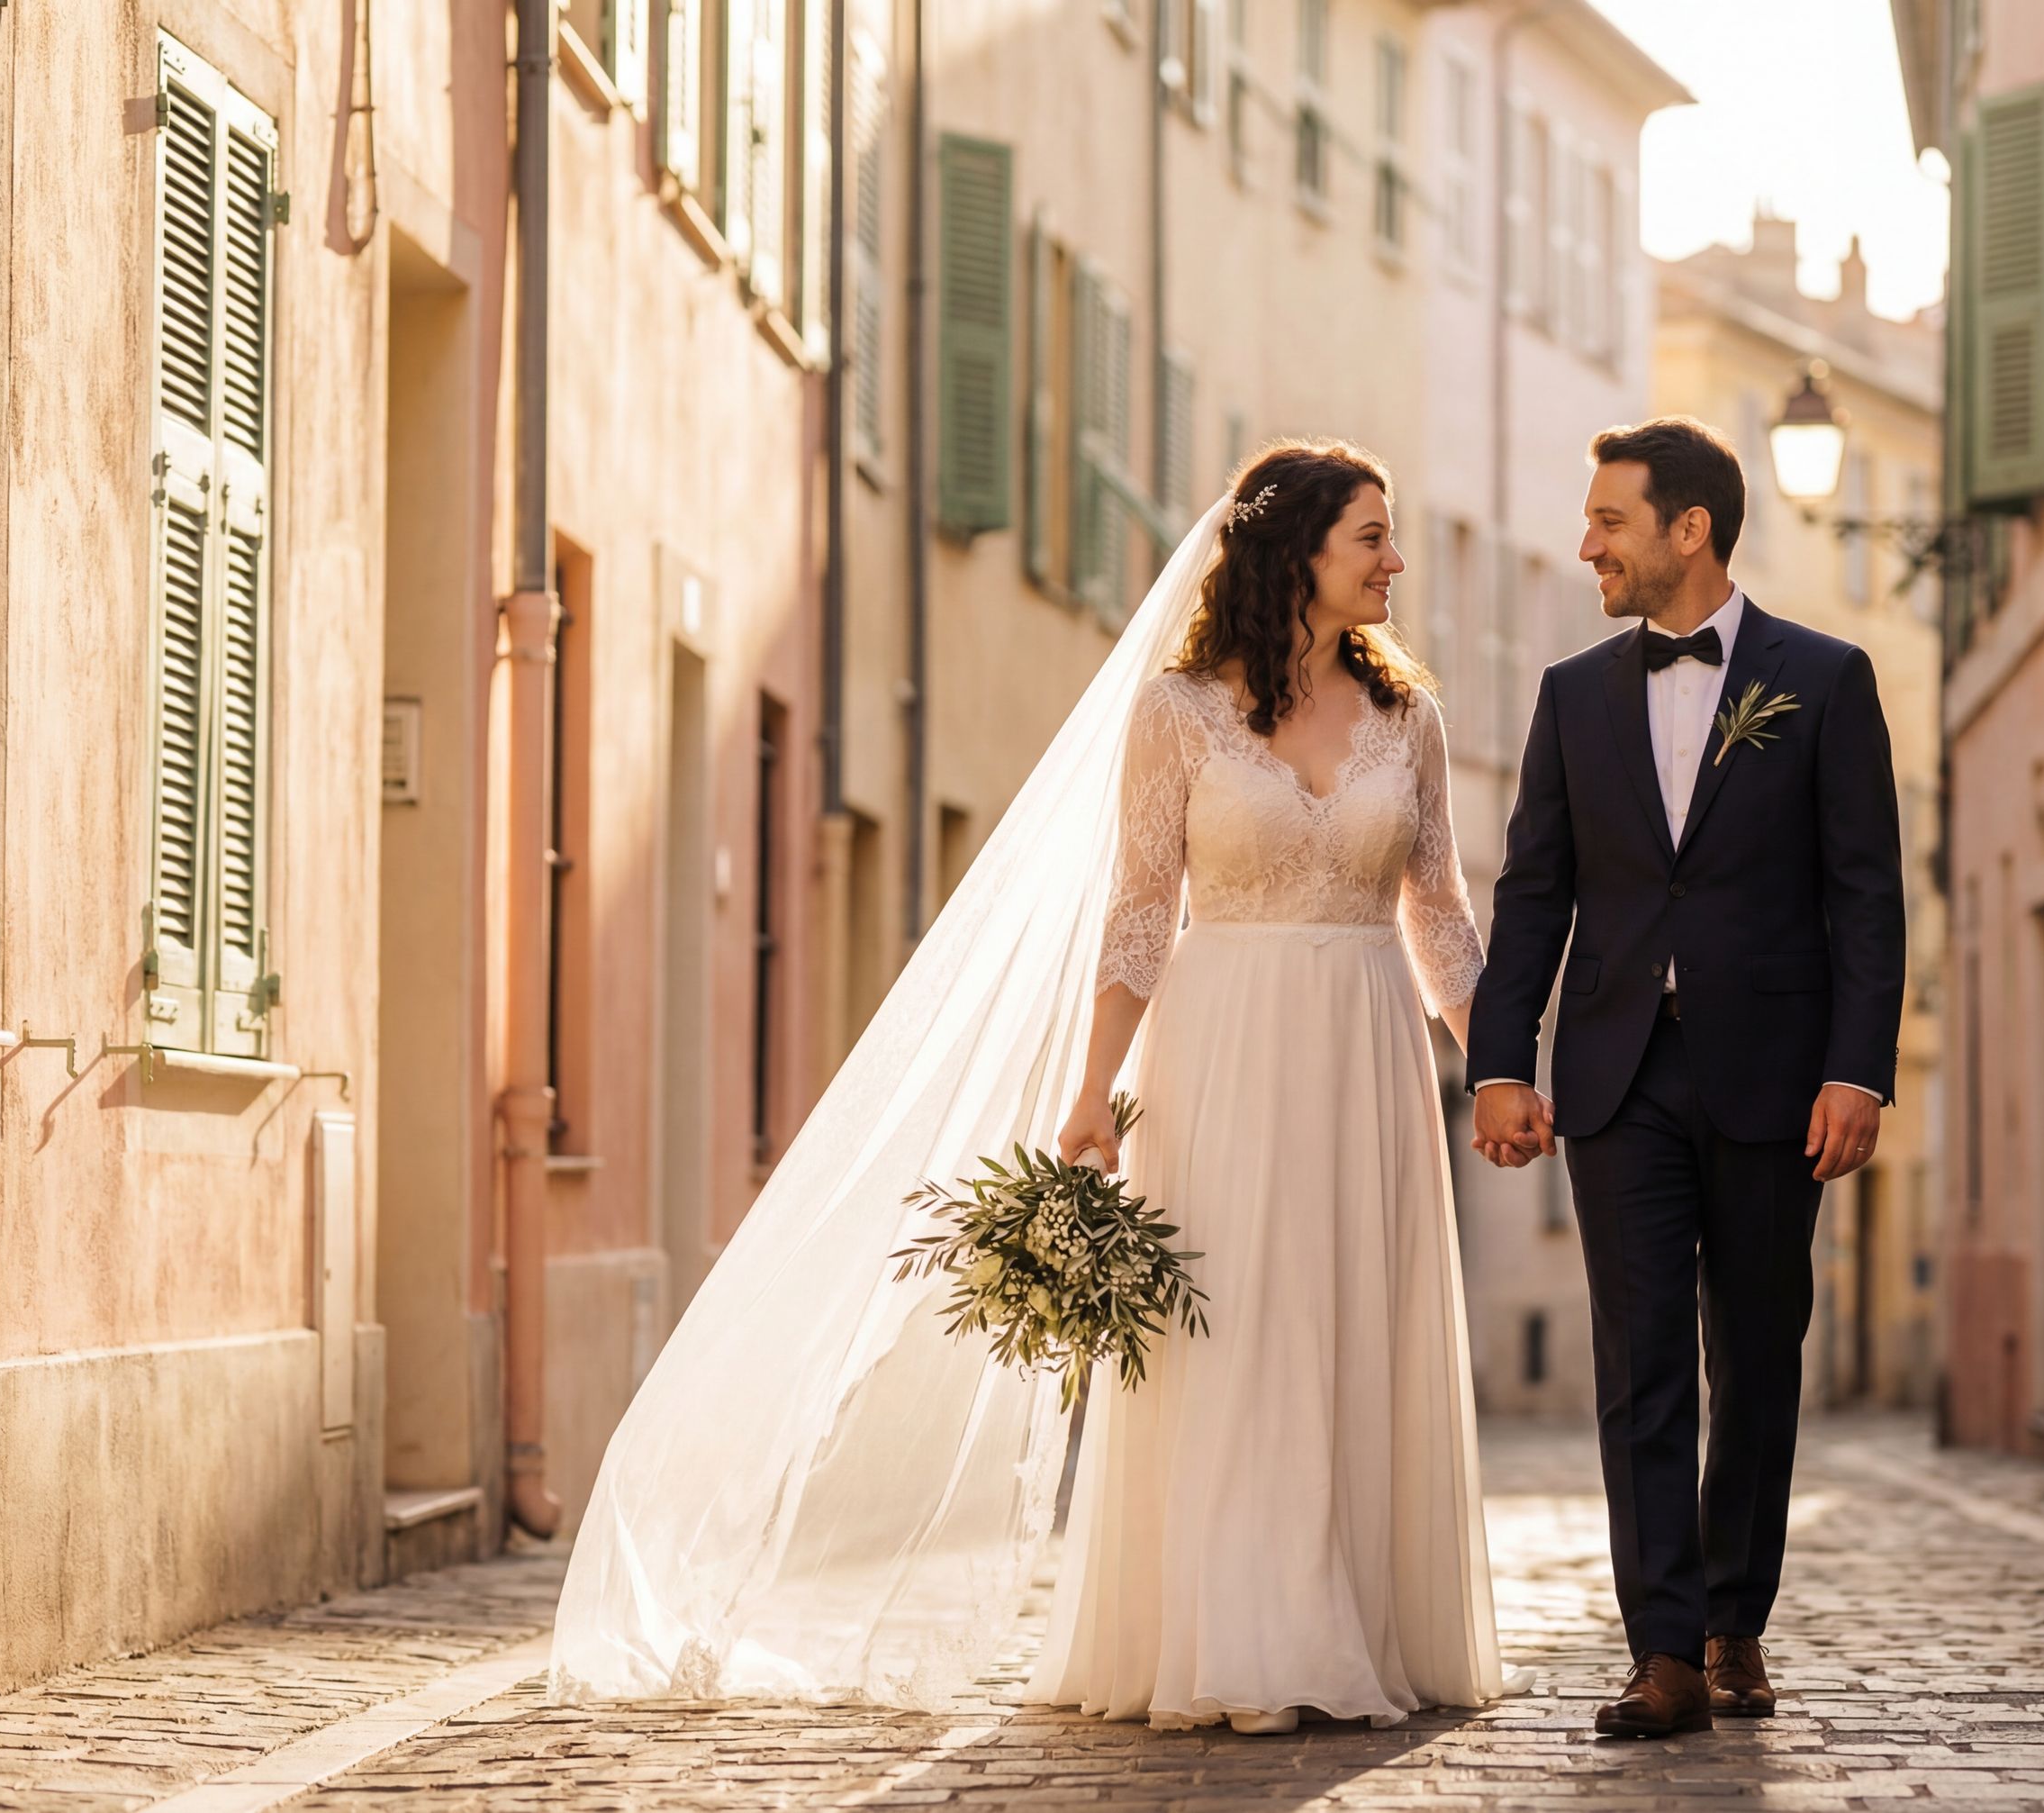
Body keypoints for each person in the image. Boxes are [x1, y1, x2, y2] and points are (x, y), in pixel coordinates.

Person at [548, 441, 1524, 1735]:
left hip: (1367, 1053)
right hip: (1221, 1048)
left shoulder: (1412, 716)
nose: (1396, 562)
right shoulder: (1177, 712)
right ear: (1298, 553)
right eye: (1373, 538)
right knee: (1233, 1335)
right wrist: (1089, 1096)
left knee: (1349, 1321)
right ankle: (1241, 1631)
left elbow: (1440, 911)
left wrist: (1495, 1062)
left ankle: (1357, 1619)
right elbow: (1137, 915)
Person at [1466, 415, 1905, 1737]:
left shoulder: (1825, 681)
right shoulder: (1573, 695)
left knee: (1756, 1352)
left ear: (1689, 529)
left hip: (1777, 1076)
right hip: (1615, 1077)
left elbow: (1866, 898)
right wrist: (1499, 1060)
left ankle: (1734, 1622)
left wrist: (1858, 1071)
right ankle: (1661, 1650)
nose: (1586, 541)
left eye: (1609, 518)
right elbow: (1533, 892)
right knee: (1640, 1354)